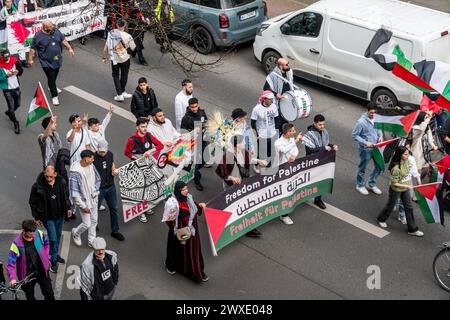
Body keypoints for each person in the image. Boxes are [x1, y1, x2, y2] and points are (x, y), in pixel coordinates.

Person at [216, 135, 268, 236]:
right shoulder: (227, 156)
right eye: (242, 143)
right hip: (231, 186)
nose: (244, 144)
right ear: (236, 145)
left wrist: (258, 161)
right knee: (235, 206)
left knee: (243, 205)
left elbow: (249, 159)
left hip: (242, 183)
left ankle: (247, 228)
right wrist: (233, 179)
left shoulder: (243, 152)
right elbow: (222, 173)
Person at [29, 166, 72, 273]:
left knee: (57, 237)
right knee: (53, 239)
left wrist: (68, 208)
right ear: (44, 173)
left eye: (51, 177)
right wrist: (37, 217)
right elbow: (32, 202)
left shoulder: (61, 182)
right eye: (47, 176)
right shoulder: (37, 186)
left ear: (55, 174)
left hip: (60, 215)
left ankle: (55, 254)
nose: (48, 179)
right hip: (48, 217)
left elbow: (66, 196)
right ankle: (53, 261)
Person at [163, 181, 208, 282]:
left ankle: (197, 271)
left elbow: (193, 206)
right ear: (178, 191)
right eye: (183, 190)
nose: (186, 191)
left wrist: (199, 205)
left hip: (192, 231)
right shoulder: (172, 203)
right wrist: (177, 230)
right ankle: (171, 266)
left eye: (187, 188)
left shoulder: (188, 198)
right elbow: (169, 219)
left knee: (193, 251)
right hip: (180, 231)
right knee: (176, 249)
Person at [376, 146, 424, 237]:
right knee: (390, 205)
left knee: (409, 207)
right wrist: (407, 185)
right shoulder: (395, 168)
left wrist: (417, 180)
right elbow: (394, 183)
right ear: (400, 155)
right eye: (406, 154)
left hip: (405, 188)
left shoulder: (407, 161)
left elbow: (412, 171)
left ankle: (412, 229)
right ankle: (381, 219)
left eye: (408, 153)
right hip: (396, 189)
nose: (408, 155)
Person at [124, 117, 164, 223]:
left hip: (148, 163)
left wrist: (150, 151)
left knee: (149, 186)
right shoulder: (132, 139)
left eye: (146, 126)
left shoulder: (148, 135)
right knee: (141, 188)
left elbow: (160, 145)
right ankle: (141, 212)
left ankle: (147, 206)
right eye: (142, 127)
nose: (145, 128)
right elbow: (127, 153)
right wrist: (136, 158)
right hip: (137, 165)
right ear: (137, 127)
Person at [28, 20, 75, 106]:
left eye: (52, 25)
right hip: (46, 62)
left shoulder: (56, 31)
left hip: (57, 60)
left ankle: (51, 85)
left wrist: (70, 48)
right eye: (50, 27)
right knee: (51, 77)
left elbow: (63, 40)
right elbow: (32, 49)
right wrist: (30, 59)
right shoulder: (38, 36)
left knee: (54, 75)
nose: (52, 27)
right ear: (45, 27)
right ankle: (54, 96)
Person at [6, 219, 54, 300]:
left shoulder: (39, 233)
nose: (33, 234)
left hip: (42, 270)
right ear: (23, 230)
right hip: (26, 275)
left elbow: (46, 244)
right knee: (30, 296)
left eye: (33, 231)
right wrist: (12, 278)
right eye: (30, 232)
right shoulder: (16, 244)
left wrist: (47, 258)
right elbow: (11, 263)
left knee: (49, 294)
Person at [302, 114, 338, 210]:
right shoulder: (308, 135)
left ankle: (318, 199)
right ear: (314, 123)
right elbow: (309, 150)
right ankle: (302, 195)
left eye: (323, 124)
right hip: (312, 162)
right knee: (308, 181)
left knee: (321, 180)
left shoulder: (324, 131)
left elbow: (325, 144)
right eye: (320, 125)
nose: (322, 127)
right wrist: (323, 148)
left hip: (322, 161)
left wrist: (332, 145)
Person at [94, 140, 125, 241]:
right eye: (101, 151)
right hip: (99, 188)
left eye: (104, 151)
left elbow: (112, 163)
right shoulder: (93, 158)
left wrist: (114, 170)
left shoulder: (110, 154)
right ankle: (94, 226)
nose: (102, 153)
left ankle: (115, 230)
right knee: (95, 209)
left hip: (110, 186)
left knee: (114, 208)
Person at [70, 150, 101, 247]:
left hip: (94, 198)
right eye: (92, 158)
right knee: (87, 224)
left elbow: (97, 177)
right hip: (84, 202)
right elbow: (74, 192)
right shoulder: (75, 172)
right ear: (86, 159)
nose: (93, 160)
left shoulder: (91, 165)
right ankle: (76, 233)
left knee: (94, 220)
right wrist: (83, 206)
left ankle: (91, 240)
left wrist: (96, 190)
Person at [351, 103, 383, 195]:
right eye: (371, 112)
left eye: (375, 112)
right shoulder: (361, 122)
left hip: (376, 147)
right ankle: (360, 185)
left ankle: (371, 184)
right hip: (366, 149)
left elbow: (379, 128)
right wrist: (365, 142)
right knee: (362, 168)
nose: (373, 114)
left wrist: (380, 135)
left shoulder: (376, 118)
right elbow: (354, 136)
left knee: (379, 166)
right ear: (367, 111)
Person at [274, 123, 303, 224]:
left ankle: (284, 214)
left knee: (289, 190)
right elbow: (284, 150)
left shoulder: (291, 139)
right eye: (293, 131)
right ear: (287, 132)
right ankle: (283, 214)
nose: (294, 132)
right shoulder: (278, 143)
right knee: (283, 192)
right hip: (281, 170)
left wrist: (294, 156)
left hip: (291, 168)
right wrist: (296, 141)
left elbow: (295, 150)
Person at [102, 19, 136, 102]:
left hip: (114, 59)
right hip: (125, 58)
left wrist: (104, 57)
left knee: (116, 75)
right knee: (124, 75)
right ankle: (122, 92)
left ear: (117, 25)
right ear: (125, 26)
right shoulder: (128, 36)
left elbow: (105, 48)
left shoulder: (111, 33)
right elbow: (133, 48)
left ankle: (120, 93)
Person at [181, 97, 208, 191]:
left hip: (203, 141)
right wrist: (193, 131)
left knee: (205, 159)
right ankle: (197, 181)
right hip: (193, 144)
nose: (194, 109)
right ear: (189, 107)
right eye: (192, 107)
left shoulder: (202, 112)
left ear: (198, 105)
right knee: (195, 164)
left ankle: (196, 170)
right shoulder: (186, 118)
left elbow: (206, 123)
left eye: (196, 106)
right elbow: (183, 133)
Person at [251, 90, 281, 167]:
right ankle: (256, 164)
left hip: (272, 133)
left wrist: (276, 131)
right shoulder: (256, 109)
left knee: (270, 150)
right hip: (261, 135)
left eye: (272, 99)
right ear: (264, 99)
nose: (272, 101)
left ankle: (268, 164)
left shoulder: (274, 106)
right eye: (270, 99)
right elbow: (253, 123)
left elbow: (277, 119)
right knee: (260, 151)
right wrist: (256, 134)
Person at [264, 57, 294, 130]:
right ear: (281, 66)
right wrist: (276, 94)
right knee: (279, 120)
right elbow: (266, 88)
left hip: (286, 100)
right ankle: (278, 134)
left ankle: (284, 132)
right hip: (278, 103)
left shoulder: (289, 72)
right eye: (286, 65)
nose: (289, 66)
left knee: (286, 118)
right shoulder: (272, 76)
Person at [397, 142, 421, 225]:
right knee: (397, 197)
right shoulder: (397, 157)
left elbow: (414, 170)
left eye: (408, 148)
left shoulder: (411, 158)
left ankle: (402, 215)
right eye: (405, 148)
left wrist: (418, 180)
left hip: (408, 181)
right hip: (398, 180)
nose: (406, 150)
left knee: (406, 199)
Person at [0, 48, 23, 134]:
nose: (7, 58)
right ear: (1, 56)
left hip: (16, 87)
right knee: (11, 107)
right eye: (5, 57)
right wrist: (6, 75)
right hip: (7, 90)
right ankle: (16, 123)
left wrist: (17, 72)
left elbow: (21, 71)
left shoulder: (15, 61)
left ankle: (9, 113)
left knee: (18, 104)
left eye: (8, 56)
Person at [127, 0, 148, 65]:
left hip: (141, 24)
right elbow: (128, 13)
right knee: (137, 40)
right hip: (133, 23)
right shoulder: (132, 2)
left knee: (140, 39)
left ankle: (133, 50)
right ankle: (141, 58)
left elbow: (147, 12)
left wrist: (146, 19)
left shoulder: (145, 3)